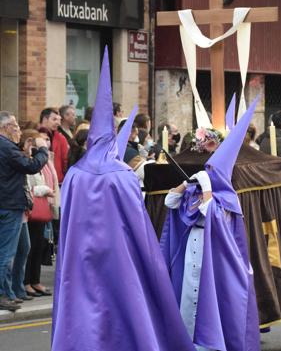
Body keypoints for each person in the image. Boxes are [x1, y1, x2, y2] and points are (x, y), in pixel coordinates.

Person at [52, 48, 195, 350]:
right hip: (119, 258)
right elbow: (138, 223)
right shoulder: (122, 174)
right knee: (126, 310)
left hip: (81, 258)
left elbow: (67, 222)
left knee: (83, 311)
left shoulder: (76, 175)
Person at [160, 96, 261, 351]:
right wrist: (186, 185)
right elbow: (170, 203)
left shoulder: (228, 197)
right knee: (188, 293)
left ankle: (210, 340)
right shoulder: (195, 190)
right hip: (193, 244)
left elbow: (213, 215)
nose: (209, 175)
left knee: (207, 296)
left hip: (212, 252)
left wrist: (207, 188)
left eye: (212, 172)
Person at [0, 111, 48, 312]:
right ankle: (3, 294)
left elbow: (18, 165)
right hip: (10, 205)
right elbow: (30, 166)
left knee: (16, 249)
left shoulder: (8, 148)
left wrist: (25, 151)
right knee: (6, 253)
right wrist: (42, 150)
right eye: (15, 126)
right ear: (5, 128)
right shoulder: (6, 147)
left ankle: (10, 291)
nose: (18, 129)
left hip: (9, 203)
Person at [24, 129, 58, 298]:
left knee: (38, 247)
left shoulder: (43, 162)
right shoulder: (28, 161)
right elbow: (28, 187)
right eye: (41, 142)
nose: (45, 145)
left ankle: (35, 280)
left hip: (42, 209)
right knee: (28, 249)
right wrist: (44, 189)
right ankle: (26, 282)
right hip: (30, 211)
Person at [40, 108, 69, 184]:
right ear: (45, 119)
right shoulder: (34, 135)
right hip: (40, 181)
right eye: (54, 119)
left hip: (57, 180)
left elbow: (65, 161)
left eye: (58, 120)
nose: (58, 123)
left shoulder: (61, 139)